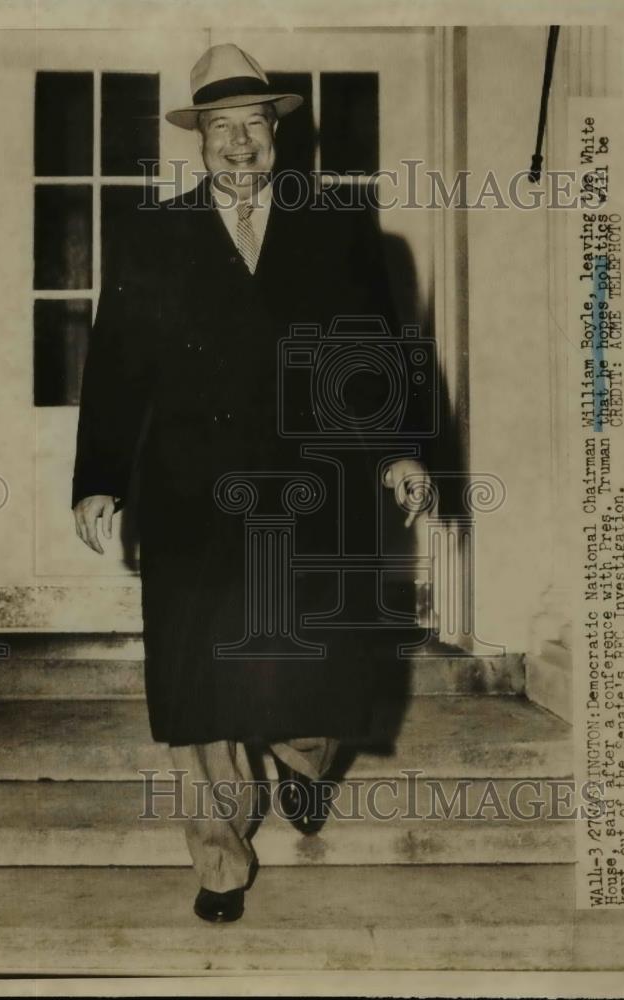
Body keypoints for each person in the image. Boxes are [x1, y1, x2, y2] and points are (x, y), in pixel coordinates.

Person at [72, 43, 432, 923]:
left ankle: (305, 765)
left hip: (313, 485)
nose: (239, 146)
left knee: (312, 659)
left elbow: (373, 355)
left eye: (253, 126)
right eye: (221, 128)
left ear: (278, 134)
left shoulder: (338, 224)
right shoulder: (152, 232)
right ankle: (220, 862)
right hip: (191, 490)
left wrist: (396, 451)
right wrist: (99, 478)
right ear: (198, 140)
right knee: (197, 682)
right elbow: (117, 366)